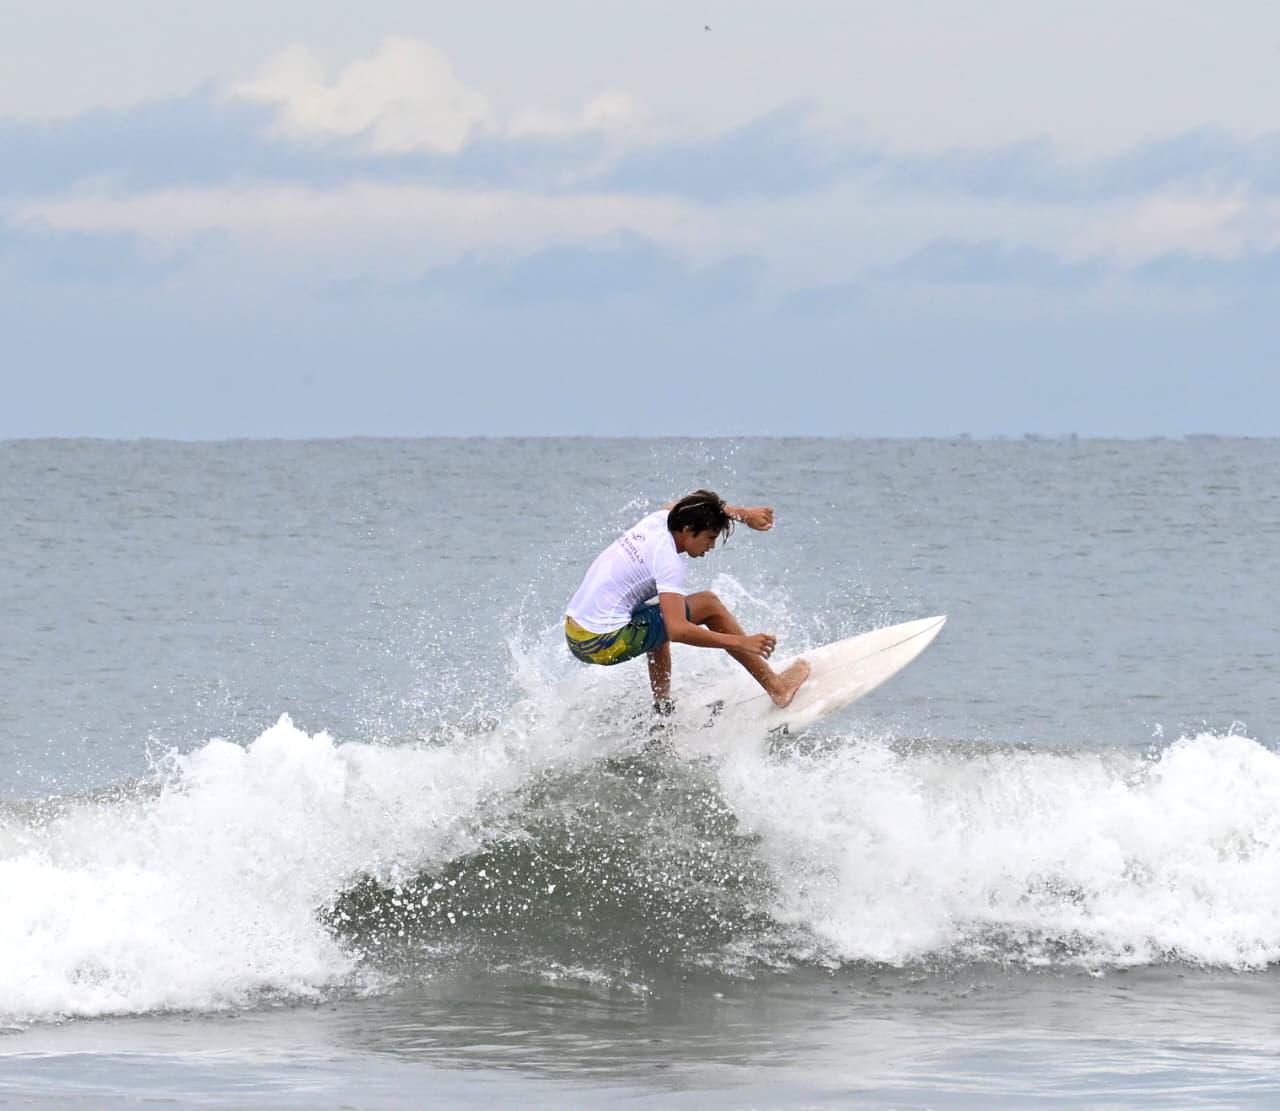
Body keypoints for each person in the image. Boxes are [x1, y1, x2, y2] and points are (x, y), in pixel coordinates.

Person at [564, 490, 810, 712]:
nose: (711, 546)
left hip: (576, 633)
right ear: (688, 530)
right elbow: (678, 630)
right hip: (602, 643)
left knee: (662, 613)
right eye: (710, 537)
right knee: (709, 605)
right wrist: (742, 642)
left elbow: (687, 505)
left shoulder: (658, 521)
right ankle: (777, 688)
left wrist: (743, 514)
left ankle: (662, 708)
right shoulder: (669, 560)